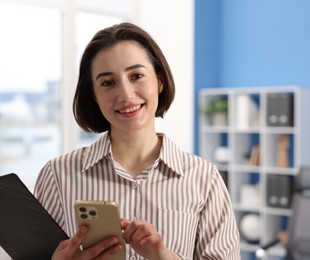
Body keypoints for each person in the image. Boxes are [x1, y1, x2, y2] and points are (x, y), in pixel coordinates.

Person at [34, 22, 241, 260]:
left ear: (159, 81)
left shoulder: (205, 179)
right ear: (94, 94)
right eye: (108, 83)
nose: (126, 94)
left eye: (137, 76)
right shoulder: (57, 175)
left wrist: (165, 257)